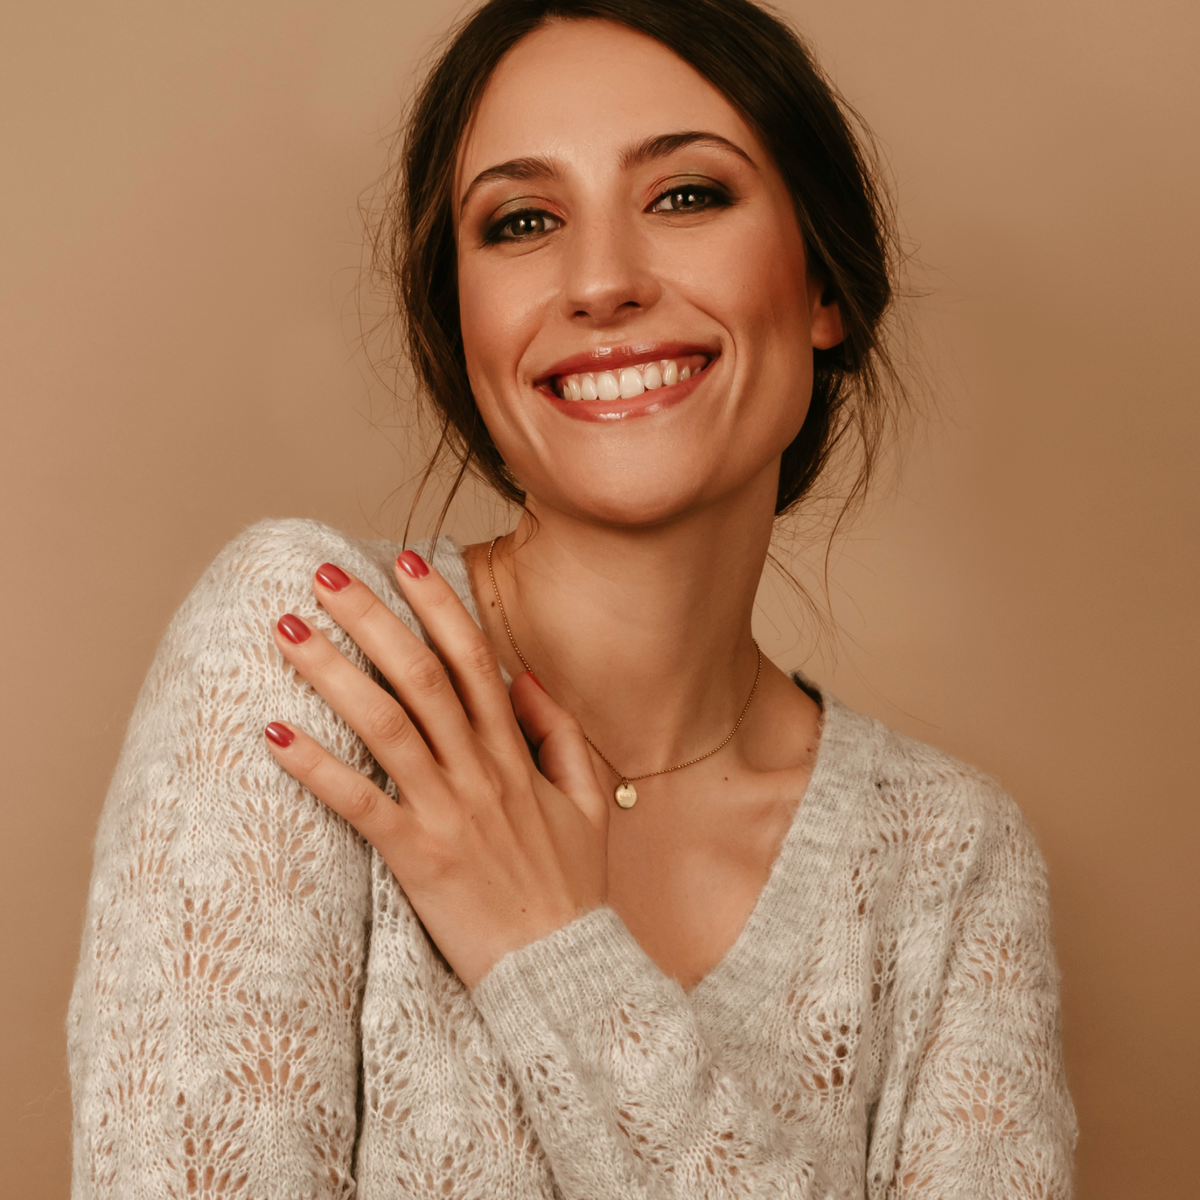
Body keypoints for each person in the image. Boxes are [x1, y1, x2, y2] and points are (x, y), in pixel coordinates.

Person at [67, 0, 1077, 1195]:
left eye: (688, 195)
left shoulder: (950, 859)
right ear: (463, 324)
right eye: (523, 220)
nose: (599, 282)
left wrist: (551, 956)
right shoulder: (322, 647)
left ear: (823, 286)